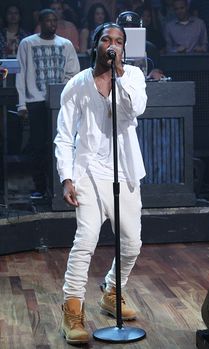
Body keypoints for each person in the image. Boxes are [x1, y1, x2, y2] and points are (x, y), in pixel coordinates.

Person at [54, 21, 147, 344]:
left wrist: (119, 72)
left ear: (124, 48)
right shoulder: (77, 85)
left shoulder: (132, 77)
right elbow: (64, 136)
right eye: (107, 39)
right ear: (95, 44)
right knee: (87, 240)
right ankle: (72, 310)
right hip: (89, 172)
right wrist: (66, 177)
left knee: (132, 242)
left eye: (119, 41)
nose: (113, 44)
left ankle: (112, 290)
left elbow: (136, 109)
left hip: (125, 172)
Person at [16, 9, 80, 199]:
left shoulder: (65, 44)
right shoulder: (27, 43)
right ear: (40, 22)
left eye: (55, 21)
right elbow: (20, 74)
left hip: (59, 102)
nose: (52, 24)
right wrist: (21, 104)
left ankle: (60, 186)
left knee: (60, 144)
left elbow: (74, 73)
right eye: (48, 21)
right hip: (35, 101)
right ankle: (40, 187)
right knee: (37, 146)